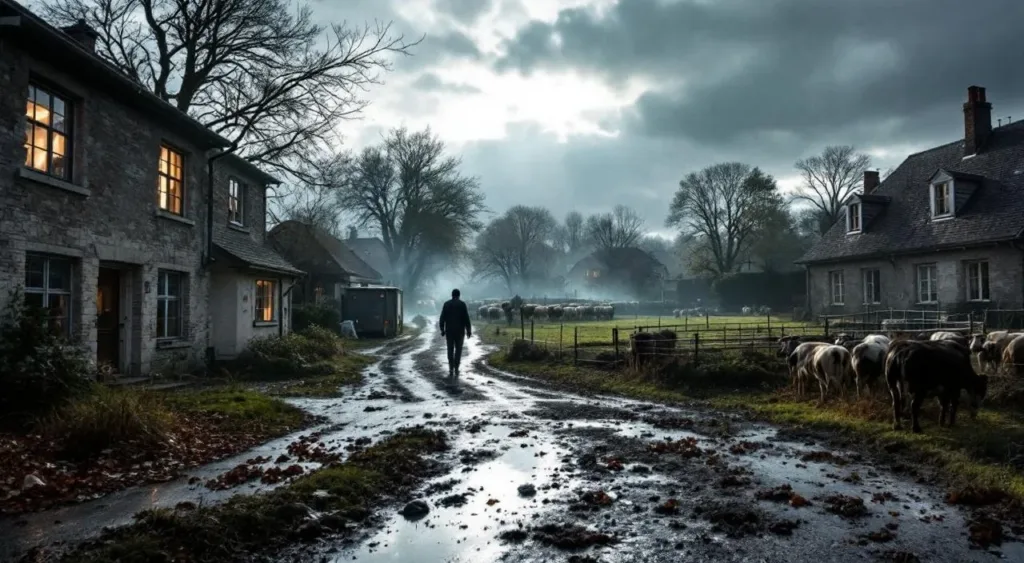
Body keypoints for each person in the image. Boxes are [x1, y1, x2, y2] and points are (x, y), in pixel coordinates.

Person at [438, 288, 472, 377]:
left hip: (449, 331)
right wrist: (468, 330)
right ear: (459, 295)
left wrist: (442, 329)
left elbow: (442, 318)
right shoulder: (462, 304)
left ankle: (451, 367)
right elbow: (466, 318)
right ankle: (456, 367)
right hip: (460, 331)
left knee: (450, 349)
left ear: (452, 295)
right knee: (458, 349)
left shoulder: (446, 304)